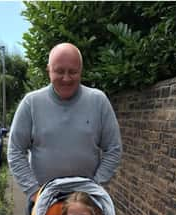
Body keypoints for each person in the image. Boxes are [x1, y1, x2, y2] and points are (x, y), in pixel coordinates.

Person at [8, 42, 122, 201]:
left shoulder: (98, 101)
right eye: (59, 71)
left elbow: (114, 149)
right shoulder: (31, 103)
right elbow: (15, 150)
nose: (66, 78)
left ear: (81, 71)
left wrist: (96, 185)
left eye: (73, 72)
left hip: (86, 204)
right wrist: (33, 191)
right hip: (44, 202)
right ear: (49, 70)